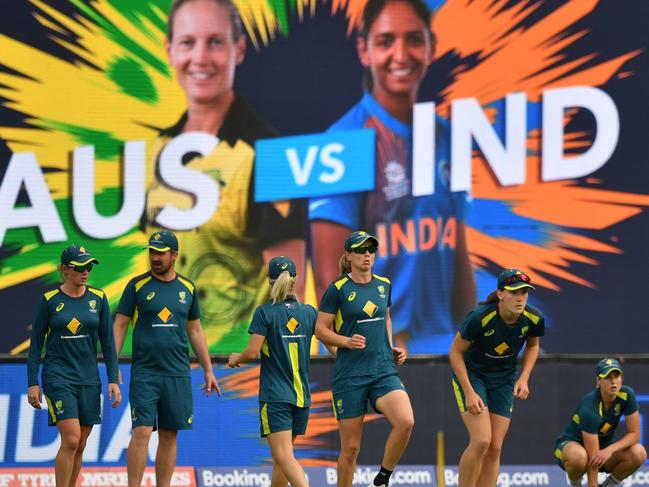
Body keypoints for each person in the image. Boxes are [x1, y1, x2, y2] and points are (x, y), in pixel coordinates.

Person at [309, 0, 475, 354]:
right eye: (385, 41)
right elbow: (329, 284)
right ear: (364, 50)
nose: (401, 54)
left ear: (430, 45)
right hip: (378, 355)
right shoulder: (342, 145)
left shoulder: (448, 136)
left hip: (444, 357)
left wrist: (472, 342)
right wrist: (362, 355)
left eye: (413, 39)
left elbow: (456, 254)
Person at [145, 0, 307, 354]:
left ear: (239, 49)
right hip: (166, 358)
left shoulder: (271, 155)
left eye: (215, 41)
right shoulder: (155, 150)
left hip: (239, 367)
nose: (200, 57)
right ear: (169, 50)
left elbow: (290, 287)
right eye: (188, 42)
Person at [113, 230, 221, 487]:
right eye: (152, 251)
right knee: (141, 432)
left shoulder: (187, 288)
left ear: (174, 256)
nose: (155, 257)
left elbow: (195, 329)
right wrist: (112, 365)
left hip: (177, 373)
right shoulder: (136, 286)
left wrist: (208, 369)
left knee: (170, 435)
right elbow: (119, 325)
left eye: (161, 253)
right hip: (145, 373)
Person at [315, 230, 413, 487]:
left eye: (371, 249)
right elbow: (321, 329)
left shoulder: (384, 284)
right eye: (360, 250)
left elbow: (386, 319)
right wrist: (346, 342)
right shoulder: (337, 289)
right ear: (348, 256)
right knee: (350, 448)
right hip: (351, 374)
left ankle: (382, 479)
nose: (367, 254)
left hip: (383, 370)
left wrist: (390, 346)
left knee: (405, 421)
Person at [27, 244, 121, 487]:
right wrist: (32, 382)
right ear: (64, 269)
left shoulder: (98, 298)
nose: (86, 271)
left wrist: (113, 378)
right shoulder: (48, 300)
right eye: (80, 267)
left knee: (80, 444)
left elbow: (108, 343)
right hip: (58, 377)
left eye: (89, 266)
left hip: (89, 379)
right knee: (71, 439)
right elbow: (36, 344)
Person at [449, 269, 543, 487]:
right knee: (482, 440)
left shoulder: (533, 318)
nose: (520, 298)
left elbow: (533, 346)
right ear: (500, 294)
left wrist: (524, 377)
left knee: (495, 447)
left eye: (524, 292)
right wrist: (469, 392)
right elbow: (455, 353)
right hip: (473, 375)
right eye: (514, 292)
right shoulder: (480, 317)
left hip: (504, 378)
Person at [228, 256, 317, 487]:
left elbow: (251, 352)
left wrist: (235, 359)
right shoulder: (308, 312)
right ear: (295, 281)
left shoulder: (265, 312)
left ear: (270, 281)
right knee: (282, 459)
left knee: (284, 457)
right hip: (301, 397)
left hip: (276, 397)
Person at [554, 358, 647, 487]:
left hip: (603, 450)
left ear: (622, 378)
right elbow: (593, 460)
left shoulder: (627, 395)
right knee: (579, 457)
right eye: (607, 377)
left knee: (639, 452)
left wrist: (610, 450)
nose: (613, 382)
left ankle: (608, 485)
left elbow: (635, 434)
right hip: (571, 449)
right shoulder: (590, 407)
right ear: (598, 381)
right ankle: (576, 484)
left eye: (616, 376)